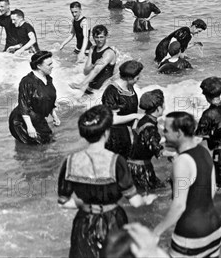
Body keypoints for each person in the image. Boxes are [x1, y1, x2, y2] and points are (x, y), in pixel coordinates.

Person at [58, 105, 157, 258]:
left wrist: (83, 204)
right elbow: (135, 202)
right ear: (106, 133)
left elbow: (63, 202)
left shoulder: (70, 161)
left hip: (83, 223)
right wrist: (147, 199)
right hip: (112, 222)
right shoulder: (117, 161)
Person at [154, 111, 221, 256]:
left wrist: (156, 232)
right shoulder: (204, 152)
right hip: (215, 229)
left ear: (178, 133)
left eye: (166, 130)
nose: (163, 134)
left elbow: (179, 206)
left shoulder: (183, 161)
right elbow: (213, 189)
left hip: (192, 235)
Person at [9, 51, 59, 144]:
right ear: (39, 66)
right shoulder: (27, 82)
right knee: (37, 146)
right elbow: (23, 105)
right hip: (21, 121)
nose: (52, 66)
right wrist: (30, 127)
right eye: (49, 64)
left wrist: (55, 116)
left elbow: (49, 99)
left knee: (50, 140)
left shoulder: (48, 78)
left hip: (38, 117)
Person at [102, 61, 143, 158]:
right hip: (115, 138)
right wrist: (135, 116)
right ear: (129, 78)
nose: (139, 79)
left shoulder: (129, 87)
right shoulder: (111, 91)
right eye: (137, 77)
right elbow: (112, 119)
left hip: (128, 134)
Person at [127, 90, 165, 192]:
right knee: (152, 194)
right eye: (163, 104)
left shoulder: (143, 119)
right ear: (158, 108)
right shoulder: (150, 127)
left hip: (132, 165)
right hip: (140, 168)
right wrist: (174, 153)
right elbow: (155, 148)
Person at [70, 25, 117, 95]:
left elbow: (96, 70)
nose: (99, 40)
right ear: (93, 37)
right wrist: (93, 65)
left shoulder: (109, 53)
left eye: (101, 37)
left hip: (103, 90)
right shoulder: (92, 49)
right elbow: (85, 71)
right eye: (96, 37)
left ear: (106, 36)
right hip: (91, 87)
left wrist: (81, 84)